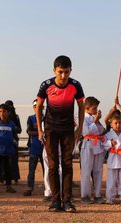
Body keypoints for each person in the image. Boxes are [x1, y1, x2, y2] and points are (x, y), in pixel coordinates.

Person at [36, 55, 85, 213]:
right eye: (60, 72)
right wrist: (39, 129)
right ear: (54, 71)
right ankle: (55, 201)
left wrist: (79, 129)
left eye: (67, 72)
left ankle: (68, 201)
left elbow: (82, 107)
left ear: (71, 71)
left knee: (67, 164)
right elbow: (38, 107)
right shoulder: (46, 85)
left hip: (68, 130)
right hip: (51, 129)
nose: (63, 76)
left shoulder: (75, 85)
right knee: (52, 165)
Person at [80, 96, 105, 204]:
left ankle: (98, 194)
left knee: (98, 171)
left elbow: (102, 131)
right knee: (86, 171)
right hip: (88, 145)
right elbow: (86, 132)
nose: (96, 110)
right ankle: (85, 195)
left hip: (97, 145)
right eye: (94, 108)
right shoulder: (82, 118)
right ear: (87, 107)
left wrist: (97, 121)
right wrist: (95, 121)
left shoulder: (94, 118)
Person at [0, 103, 17, 193]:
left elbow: (14, 135)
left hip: (8, 150)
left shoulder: (12, 124)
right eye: (0, 111)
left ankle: (8, 186)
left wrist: (14, 141)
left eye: (4, 111)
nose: (2, 113)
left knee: (7, 169)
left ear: (8, 113)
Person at [23, 100, 44, 196]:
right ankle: (29, 188)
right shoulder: (30, 118)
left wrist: (38, 132)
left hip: (45, 148)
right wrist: (41, 133)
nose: (38, 108)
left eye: (39, 106)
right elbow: (29, 132)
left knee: (47, 170)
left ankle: (49, 188)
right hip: (34, 148)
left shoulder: (47, 118)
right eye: (35, 106)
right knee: (31, 170)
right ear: (33, 108)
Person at [5, 100, 22, 183]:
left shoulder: (16, 117)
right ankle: (5, 178)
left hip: (14, 141)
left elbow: (20, 129)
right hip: (5, 141)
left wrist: (13, 128)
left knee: (14, 160)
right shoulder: (3, 117)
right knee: (5, 160)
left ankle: (15, 178)